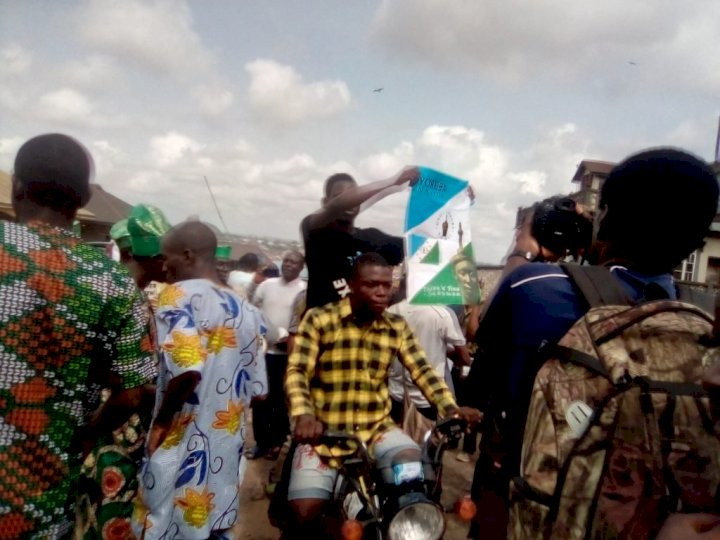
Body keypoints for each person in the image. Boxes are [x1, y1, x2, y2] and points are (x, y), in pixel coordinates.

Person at [465, 147, 720, 539]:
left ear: (607, 218)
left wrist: (523, 247)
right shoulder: (708, 320)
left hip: (533, 516)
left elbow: (479, 389)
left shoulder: (534, 286)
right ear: (698, 240)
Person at [0, 133, 156, 538]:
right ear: (84, 198)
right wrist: (89, 431)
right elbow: (134, 391)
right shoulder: (115, 284)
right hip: (46, 493)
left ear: (16, 188)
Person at [284, 253, 482, 538]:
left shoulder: (395, 326)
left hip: (377, 430)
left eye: (387, 285)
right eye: (371, 284)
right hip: (323, 434)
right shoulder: (320, 319)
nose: (381, 292)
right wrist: (304, 414)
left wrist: (450, 408)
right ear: (352, 285)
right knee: (305, 510)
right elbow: (297, 371)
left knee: (414, 470)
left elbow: (423, 371)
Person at [132, 221, 267, 540]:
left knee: (165, 524)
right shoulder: (247, 310)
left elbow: (188, 368)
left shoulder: (176, 296)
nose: (164, 266)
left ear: (188, 255)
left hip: (182, 442)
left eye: (168, 258)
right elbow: (258, 391)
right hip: (225, 450)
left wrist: (163, 421)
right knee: (213, 527)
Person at [76, 204, 172, 539]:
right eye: (163, 254)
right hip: (111, 420)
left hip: (124, 420)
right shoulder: (122, 295)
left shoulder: (142, 294)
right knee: (107, 505)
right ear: (133, 251)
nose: (169, 261)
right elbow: (122, 383)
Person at [301, 168, 418, 309]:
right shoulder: (314, 232)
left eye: (355, 195)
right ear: (325, 202)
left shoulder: (373, 239)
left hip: (363, 330)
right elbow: (338, 205)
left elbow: (418, 248)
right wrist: (393, 183)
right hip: (322, 328)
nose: (350, 201)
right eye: (340, 196)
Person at [387, 278, 471, 432]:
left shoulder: (390, 311)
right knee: (425, 445)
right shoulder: (442, 314)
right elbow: (464, 356)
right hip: (427, 394)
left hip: (395, 391)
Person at [248, 250, 306, 460]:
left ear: (301, 267)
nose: (289, 265)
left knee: (281, 400)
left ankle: (277, 442)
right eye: (287, 261)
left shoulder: (304, 290)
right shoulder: (267, 285)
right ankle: (261, 443)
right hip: (264, 351)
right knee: (260, 397)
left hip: (287, 354)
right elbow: (253, 310)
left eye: (294, 262)